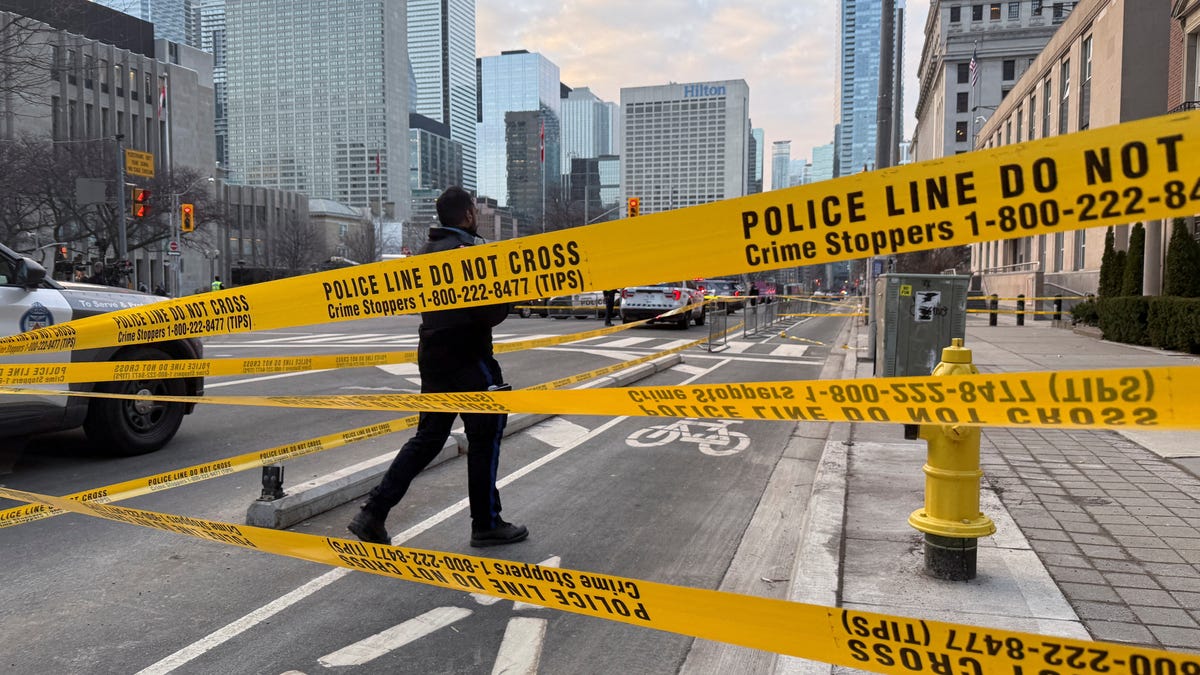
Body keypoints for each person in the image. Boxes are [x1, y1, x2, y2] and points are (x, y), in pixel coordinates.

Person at [349, 186, 527, 548]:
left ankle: (373, 512)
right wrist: (510, 299)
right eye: (474, 209)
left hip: (432, 353)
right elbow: (489, 310)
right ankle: (487, 522)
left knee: (429, 438)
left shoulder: (426, 252)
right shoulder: (471, 252)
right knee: (485, 435)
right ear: (468, 215)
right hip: (469, 355)